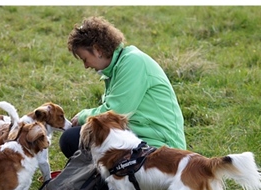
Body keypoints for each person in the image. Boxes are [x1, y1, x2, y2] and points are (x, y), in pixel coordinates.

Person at [59, 16, 186, 158]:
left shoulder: (133, 62)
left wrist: (83, 116)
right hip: (135, 139)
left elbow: (115, 113)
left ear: (98, 50)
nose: (86, 66)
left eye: (85, 59)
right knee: (74, 138)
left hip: (162, 148)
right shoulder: (116, 67)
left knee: (73, 138)